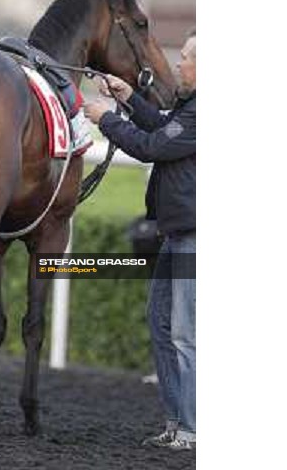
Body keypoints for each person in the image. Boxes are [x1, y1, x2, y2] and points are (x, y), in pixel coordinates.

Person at [84, 30, 196, 451]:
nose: (178, 63)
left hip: (194, 240)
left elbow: (150, 146)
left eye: (185, 58)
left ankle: (192, 430)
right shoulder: (189, 110)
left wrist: (106, 118)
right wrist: (128, 97)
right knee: (162, 325)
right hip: (177, 235)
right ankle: (177, 424)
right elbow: (162, 128)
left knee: (184, 335)